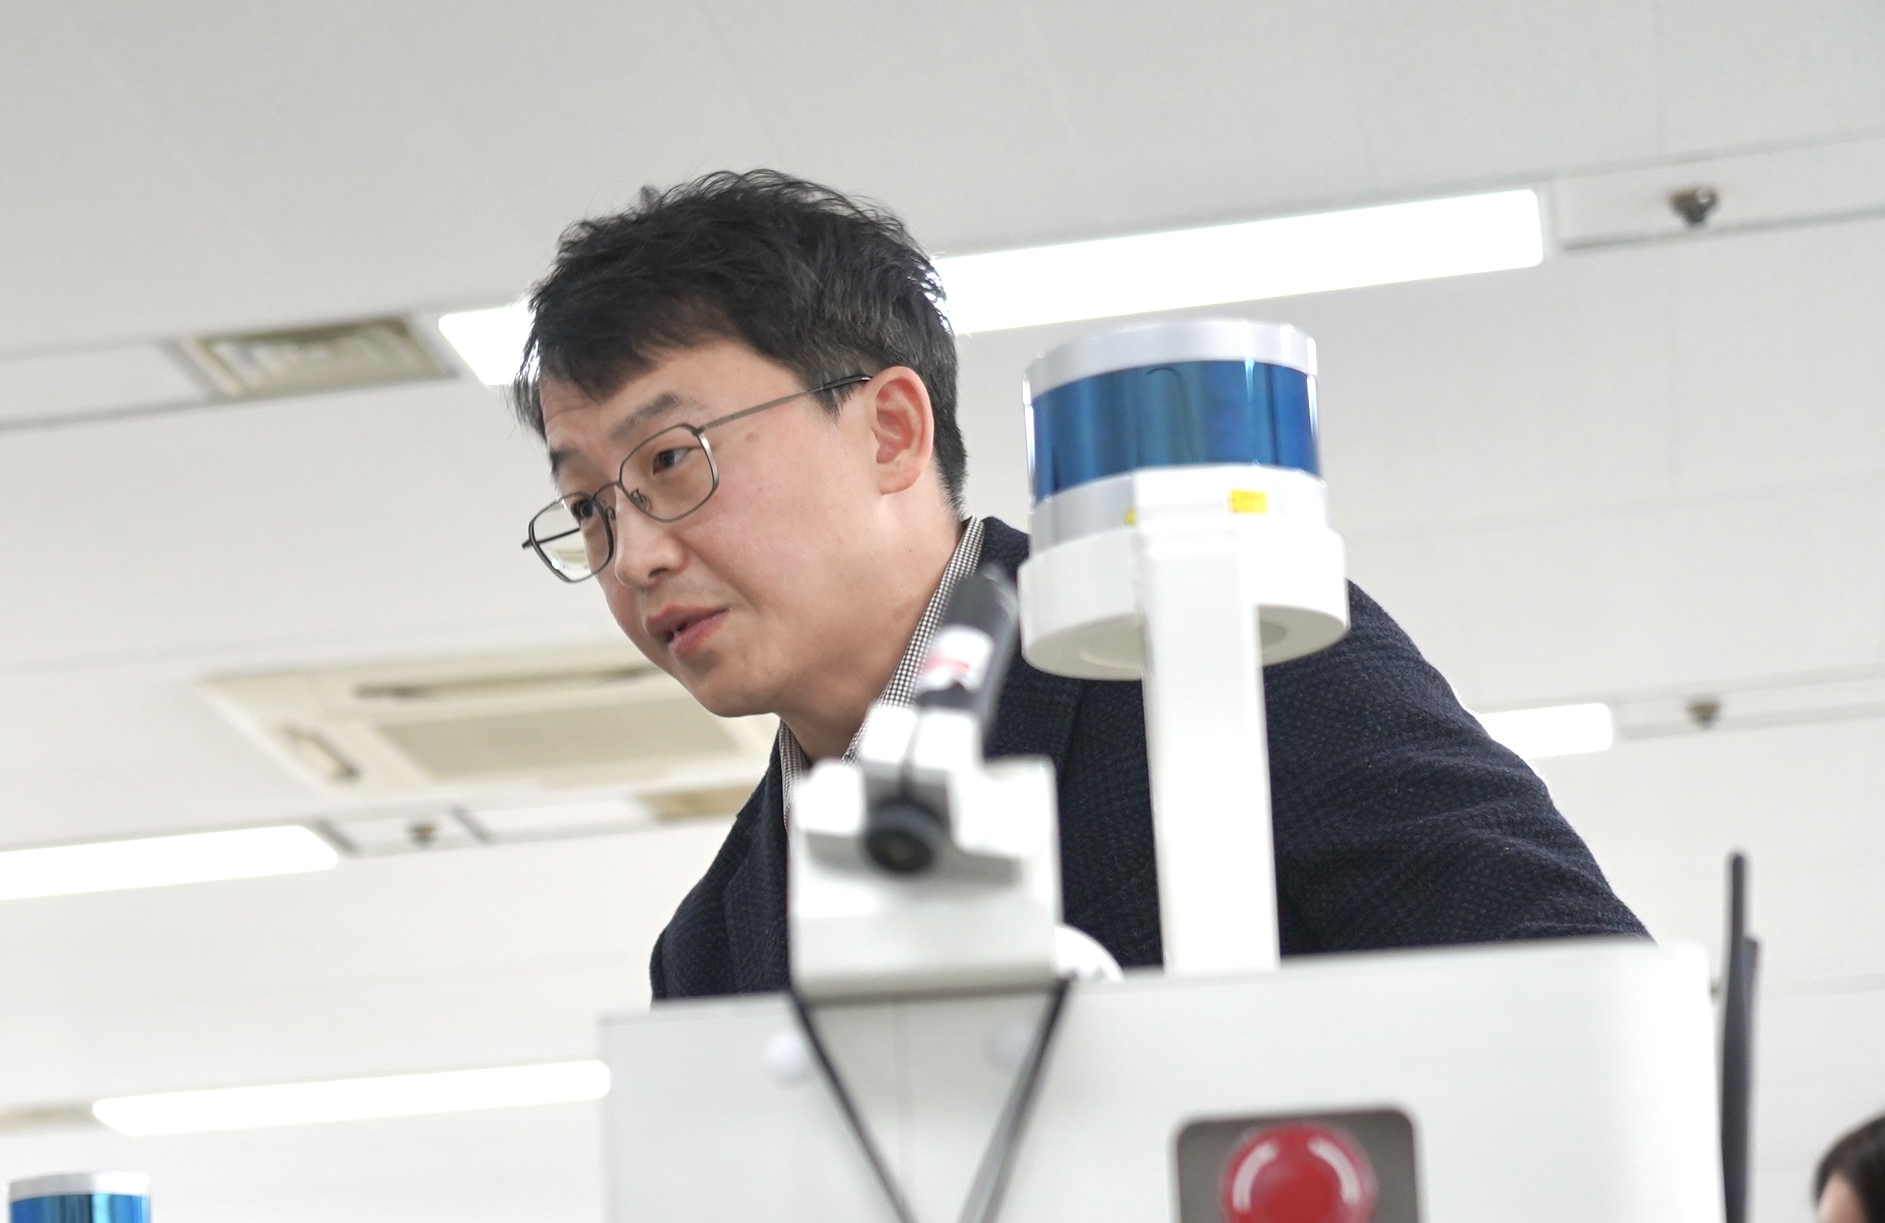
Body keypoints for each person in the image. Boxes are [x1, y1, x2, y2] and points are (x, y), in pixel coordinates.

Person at [499, 172, 1646, 998]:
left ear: (890, 429)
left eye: (671, 461)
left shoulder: (1221, 655)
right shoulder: (711, 947)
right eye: (591, 507)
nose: (634, 555)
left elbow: (1575, 994)